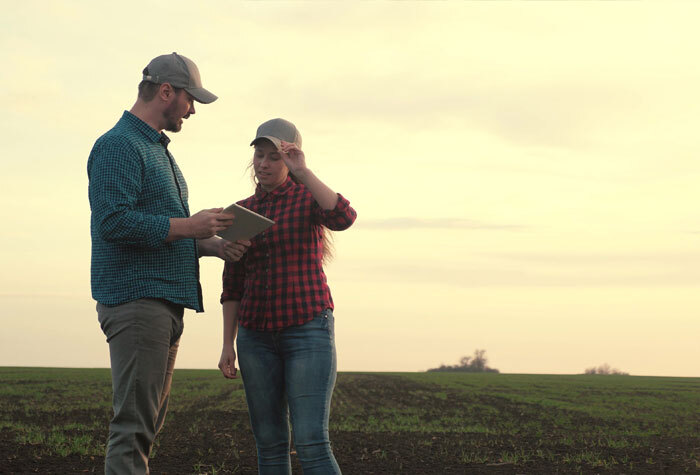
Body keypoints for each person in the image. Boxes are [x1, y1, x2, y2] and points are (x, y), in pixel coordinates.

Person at [88, 52, 249, 474]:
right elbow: (114, 223)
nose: (192, 109)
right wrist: (190, 225)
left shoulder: (155, 150)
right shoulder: (118, 145)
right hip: (138, 302)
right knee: (134, 427)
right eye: (189, 99)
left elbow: (159, 231)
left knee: (146, 424)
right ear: (165, 92)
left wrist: (211, 243)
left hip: (161, 304)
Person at [218, 118, 357, 474]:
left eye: (274, 157)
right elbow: (232, 282)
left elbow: (344, 217)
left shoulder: (308, 198)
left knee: (312, 442)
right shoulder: (242, 210)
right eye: (259, 156)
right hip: (255, 338)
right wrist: (227, 344)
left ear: (290, 158)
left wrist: (304, 171)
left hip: (307, 330)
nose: (264, 164)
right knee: (269, 444)